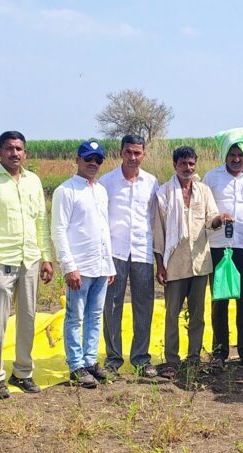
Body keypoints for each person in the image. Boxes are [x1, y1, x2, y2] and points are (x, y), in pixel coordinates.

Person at [0, 131, 54, 397]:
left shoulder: (33, 181)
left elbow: (41, 221)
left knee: (28, 318)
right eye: (9, 149)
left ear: (26, 153)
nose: (14, 153)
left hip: (30, 259)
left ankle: (23, 372)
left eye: (19, 149)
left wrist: (46, 257)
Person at [153, 146, 232, 379]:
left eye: (191, 164)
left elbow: (210, 220)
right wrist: (160, 265)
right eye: (183, 164)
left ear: (195, 164)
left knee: (198, 314)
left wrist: (220, 219)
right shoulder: (165, 193)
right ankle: (171, 361)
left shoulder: (203, 191)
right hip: (174, 264)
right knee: (172, 314)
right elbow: (159, 233)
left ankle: (194, 358)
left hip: (199, 262)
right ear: (174, 165)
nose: (188, 168)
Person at [51, 141, 117, 389]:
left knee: (96, 316)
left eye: (98, 160)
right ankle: (76, 365)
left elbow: (103, 229)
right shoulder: (66, 191)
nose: (93, 163)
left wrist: (109, 264)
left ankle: (90, 360)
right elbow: (58, 230)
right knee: (75, 317)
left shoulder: (100, 191)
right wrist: (69, 266)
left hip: (100, 266)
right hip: (80, 267)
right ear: (77, 160)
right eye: (88, 158)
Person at [204, 127, 243, 373]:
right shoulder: (212, 177)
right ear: (224, 155)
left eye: (240, 154)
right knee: (220, 299)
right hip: (219, 246)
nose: (236, 158)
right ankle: (219, 352)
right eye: (232, 154)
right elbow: (206, 211)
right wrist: (218, 217)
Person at [98, 134, 159, 378]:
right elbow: (101, 220)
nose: (133, 157)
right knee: (112, 305)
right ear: (121, 153)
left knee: (144, 305)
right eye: (129, 152)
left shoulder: (151, 182)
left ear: (144, 154)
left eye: (138, 153)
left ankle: (141, 358)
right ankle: (113, 358)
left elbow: (154, 218)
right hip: (115, 252)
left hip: (142, 251)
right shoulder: (107, 182)